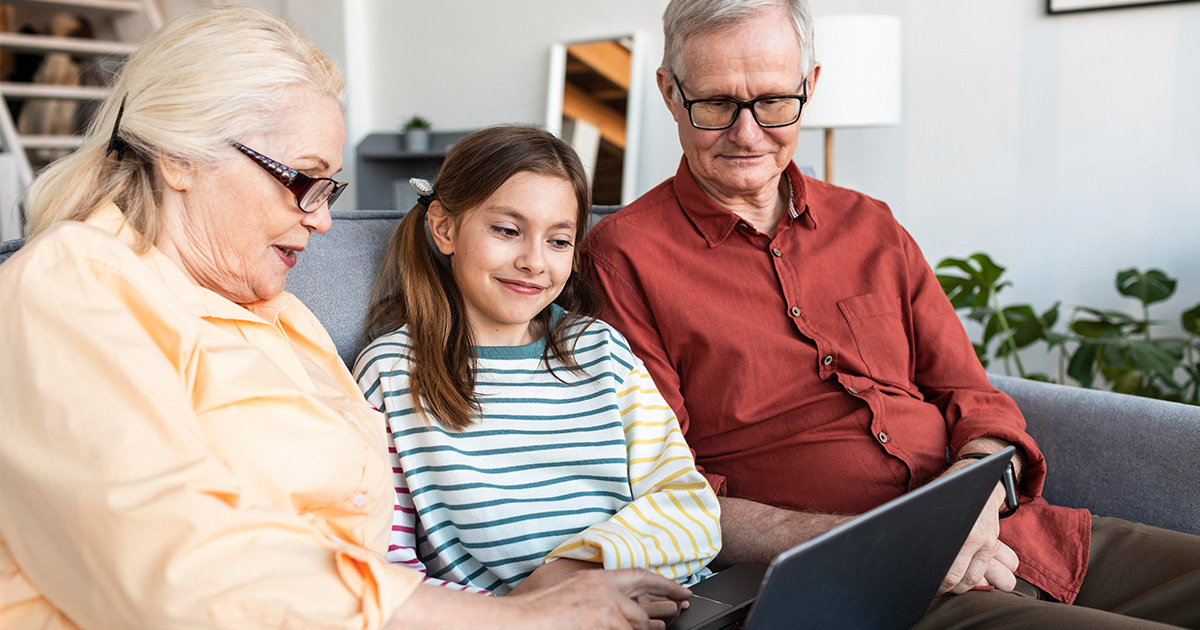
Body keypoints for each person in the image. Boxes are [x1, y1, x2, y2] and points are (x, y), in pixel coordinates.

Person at [0, 8, 691, 630]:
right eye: (303, 180)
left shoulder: (277, 314)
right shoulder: (73, 282)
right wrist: (522, 619)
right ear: (181, 155)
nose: (324, 220)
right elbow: (169, 562)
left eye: (330, 189)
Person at [581, 0, 1200, 628]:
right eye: (715, 104)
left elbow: (972, 396)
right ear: (668, 90)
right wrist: (892, 541)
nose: (747, 133)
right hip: (855, 586)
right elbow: (662, 488)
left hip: (1019, 534)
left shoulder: (868, 223)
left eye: (772, 101)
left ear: (810, 86)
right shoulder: (621, 258)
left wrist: (968, 512)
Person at [353, 126, 721, 601]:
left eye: (559, 241)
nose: (533, 261)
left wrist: (573, 569)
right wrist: (534, 609)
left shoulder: (601, 350)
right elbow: (386, 572)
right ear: (445, 228)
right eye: (507, 231)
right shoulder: (391, 373)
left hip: (665, 604)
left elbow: (690, 509)